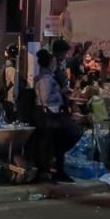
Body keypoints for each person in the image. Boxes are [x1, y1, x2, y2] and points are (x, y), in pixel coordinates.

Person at [33, 49, 78, 183]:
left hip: (50, 115)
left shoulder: (46, 76)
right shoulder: (46, 78)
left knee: (54, 143)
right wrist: (60, 91)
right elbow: (45, 99)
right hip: (49, 116)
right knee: (53, 142)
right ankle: (49, 171)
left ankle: (56, 169)